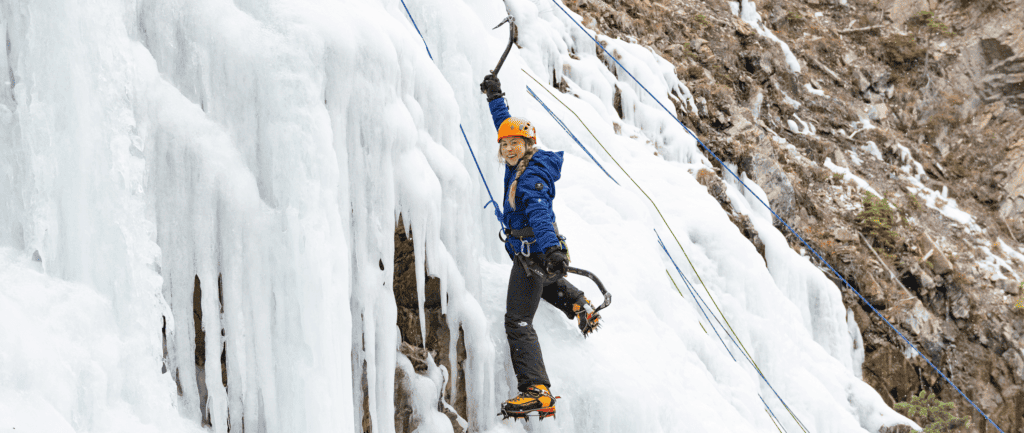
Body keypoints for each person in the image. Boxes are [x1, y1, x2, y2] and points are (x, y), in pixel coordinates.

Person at [480, 73, 601, 420]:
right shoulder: (521, 163)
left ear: (528, 144)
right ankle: (578, 303)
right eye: (504, 145)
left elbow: (539, 213)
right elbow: (505, 125)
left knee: (518, 319)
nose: (507, 148)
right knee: (540, 281)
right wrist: (495, 96)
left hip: (534, 249)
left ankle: (537, 389)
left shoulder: (530, 177)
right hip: (533, 251)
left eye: (514, 144)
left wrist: (552, 251)